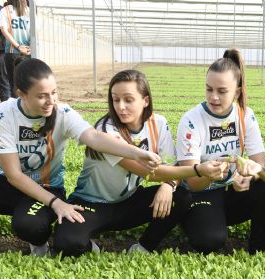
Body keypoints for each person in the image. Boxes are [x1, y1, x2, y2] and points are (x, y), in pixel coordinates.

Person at [0, 58, 160, 256]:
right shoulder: (4, 114)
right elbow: (12, 174)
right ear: (21, 94)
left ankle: (40, 246)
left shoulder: (63, 112)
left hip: (45, 186)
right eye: (42, 95)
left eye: (54, 92)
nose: (50, 101)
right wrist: (57, 205)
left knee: (29, 225)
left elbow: (94, 138)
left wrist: (138, 152)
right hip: (4, 182)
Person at [53, 70, 227, 256]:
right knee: (67, 243)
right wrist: (198, 170)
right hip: (92, 205)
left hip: (129, 202)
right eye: (115, 99)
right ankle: (92, 248)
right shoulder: (105, 130)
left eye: (128, 100)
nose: (120, 107)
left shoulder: (158, 123)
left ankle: (144, 247)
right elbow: (148, 173)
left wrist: (168, 186)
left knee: (181, 197)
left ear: (145, 100)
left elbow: (172, 166)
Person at [175, 48, 265, 254]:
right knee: (210, 240)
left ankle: (257, 249)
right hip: (201, 193)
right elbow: (192, 182)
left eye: (222, 91)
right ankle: (194, 220)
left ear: (238, 91)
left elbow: (258, 163)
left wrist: (249, 177)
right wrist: (212, 175)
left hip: (232, 192)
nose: (214, 97)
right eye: (209, 89)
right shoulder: (191, 120)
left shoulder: (246, 116)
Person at [0, 0, 30, 97]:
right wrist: (29, 48)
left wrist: (18, 46)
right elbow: (35, 31)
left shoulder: (5, 10)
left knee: (14, 84)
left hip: (12, 52)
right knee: (28, 83)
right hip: (29, 52)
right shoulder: (29, 10)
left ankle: (16, 110)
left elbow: (3, 29)